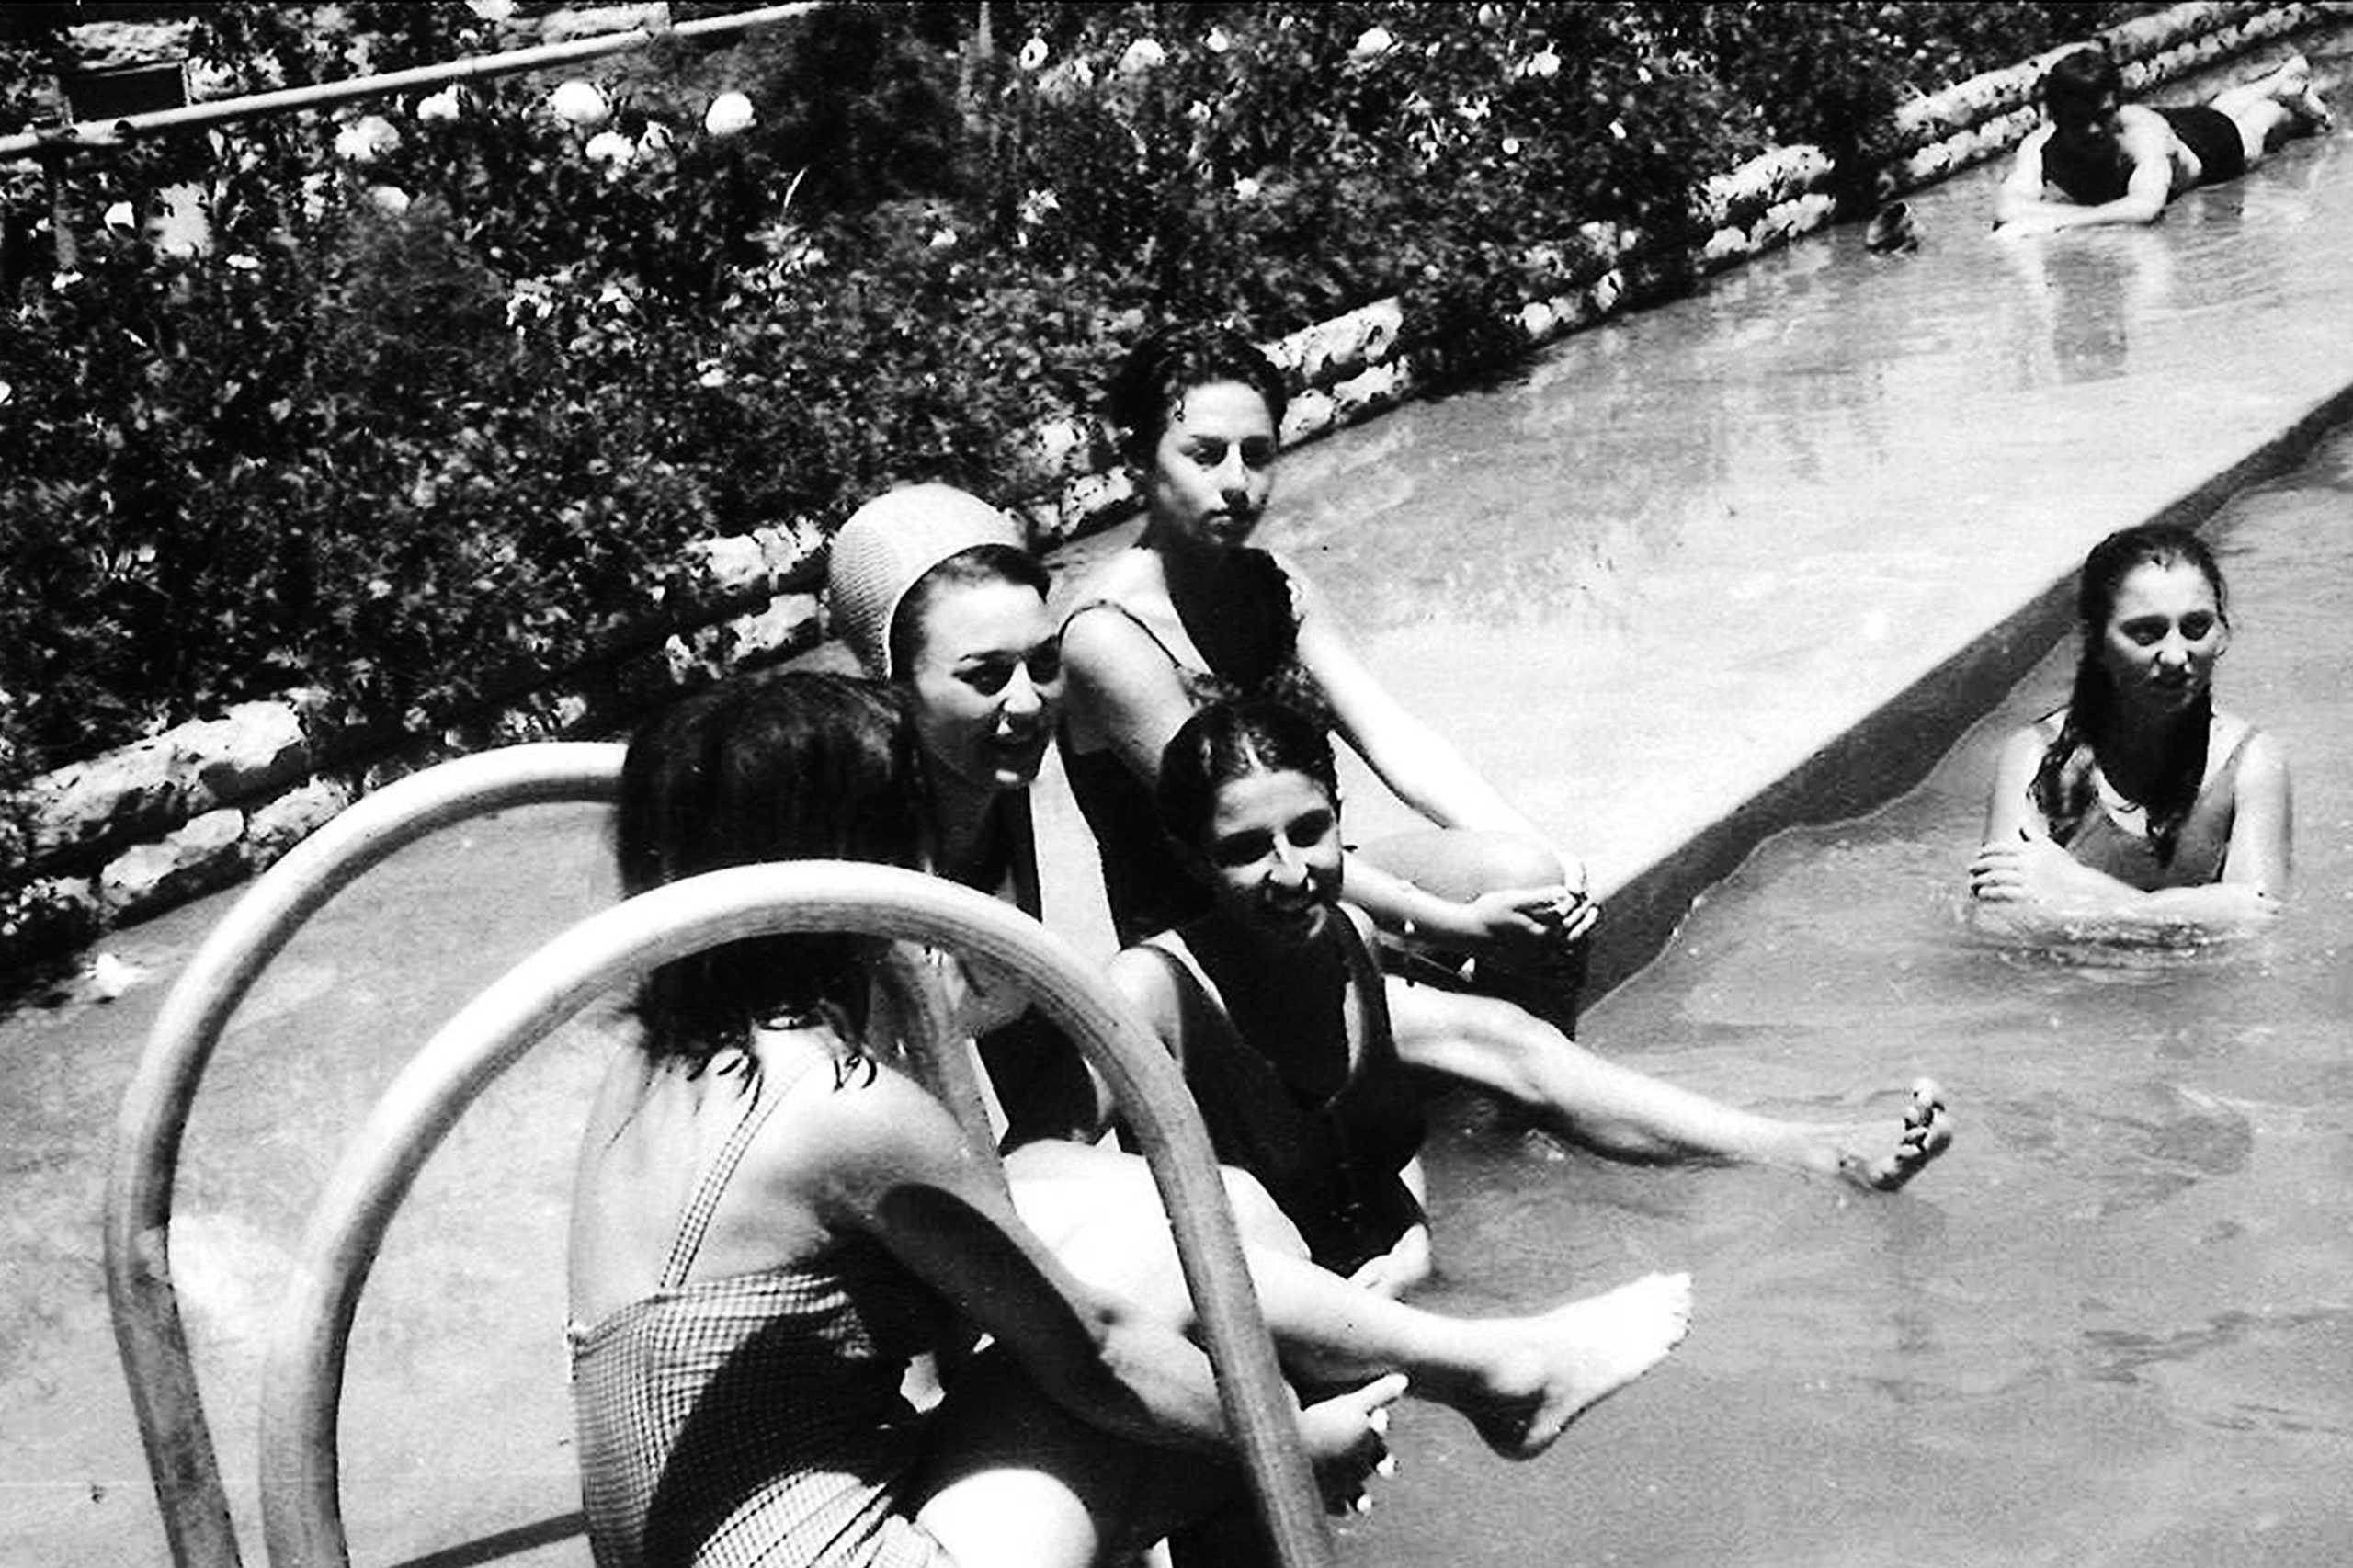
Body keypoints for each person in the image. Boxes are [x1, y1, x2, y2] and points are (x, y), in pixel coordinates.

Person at [573, 669, 1697, 1568]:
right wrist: (1295, 1441)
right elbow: (1098, 1355)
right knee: (1199, 1357)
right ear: (855, 863)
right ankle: (1494, 1374)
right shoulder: (839, 1106)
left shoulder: (656, 1064)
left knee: (1181, 1230)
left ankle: (1493, 1369)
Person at [1107, 698, 1955, 1296]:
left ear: (1338, 820)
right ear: (1190, 859)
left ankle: (1813, 1148)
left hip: (1384, 1297)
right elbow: (1056, 1183)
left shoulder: (1346, 939)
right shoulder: (1149, 993)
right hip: (1270, 1334)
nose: (1291, 872)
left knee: (1513, 1043)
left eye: (1308, 832)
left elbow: (1381, 1150)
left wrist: (1413, 1243)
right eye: (1246, 849)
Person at [1056, 325, 1594, 1028]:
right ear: (1137, 459)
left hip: (1309, 885)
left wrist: (1548, 857)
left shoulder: (1273, 585)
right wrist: (1452, 925)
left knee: (1532, 883)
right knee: (1488, 999)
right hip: (1210, 934)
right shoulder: (1107, 635)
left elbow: (1394, 736)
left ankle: (1514, 1091)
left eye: (1257, 455)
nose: (1237, 483)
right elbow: (1236, 834)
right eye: (1205, 456)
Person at [1969, 523, 2290, 931]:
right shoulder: (2038, 756)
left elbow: (2257, 936)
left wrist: (2085, 891)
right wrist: (2199, 914)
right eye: (2146, 633)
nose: (2176, 656)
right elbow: (2000, 926)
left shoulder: (2252, 761)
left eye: (2196, 628)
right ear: (2095, 641)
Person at [1994, 46, 2330, 234]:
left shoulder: (2145, 135)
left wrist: (2053, 219)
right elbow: (2008, 207)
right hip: (2180, 123)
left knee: (2259, 127)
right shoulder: (2040, 145)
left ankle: (2286, 91)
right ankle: (2282, 80)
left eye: (2103, 116)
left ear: (2117, 106)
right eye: (2079, 120)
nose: (2094, 130)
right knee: (2218, 109)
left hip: (2211, 145)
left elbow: (2145, 206)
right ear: (2055, 115)